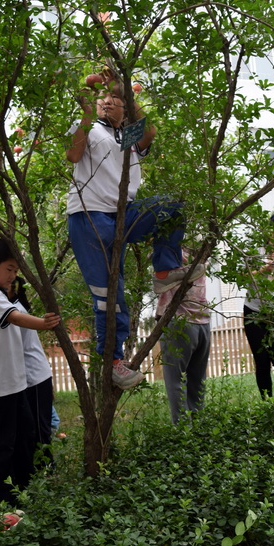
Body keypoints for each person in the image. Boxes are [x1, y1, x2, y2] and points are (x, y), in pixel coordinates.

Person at [66, 69, 205, 389]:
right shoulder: (92, 129)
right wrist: (88, 114)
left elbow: (149, 134)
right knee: (108, 296)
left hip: (121, 216)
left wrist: (126, 90)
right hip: (88, 218)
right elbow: (73, 154)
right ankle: (112, 360)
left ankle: (165, 270)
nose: (108, 101)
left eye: (116, 100)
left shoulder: (124, 136)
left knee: (172, 207)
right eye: (105, 97)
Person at [0, 238, 60, 504]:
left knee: (25, 435)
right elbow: (14, 317)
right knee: (0, 443)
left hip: (14, 382)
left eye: (15, 271)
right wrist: (44, 324)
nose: (12, 276)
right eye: (9, 269)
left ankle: (22, 488)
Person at [243, 211, 274, 398]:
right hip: (254, 311)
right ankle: (266, 402)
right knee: (262, 359)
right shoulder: (258, 251)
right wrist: (267, 268)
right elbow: (243, 276)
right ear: (273, 230)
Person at [156, 252, 210, 424]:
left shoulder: (171, 252)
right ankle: (198, 429)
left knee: (175, 380)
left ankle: (182, 434)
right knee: (197, 382)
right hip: (203, 321)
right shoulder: (203, 251)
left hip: (180, 321)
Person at [8, 277, 54, 466]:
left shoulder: (15, 312)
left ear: (12, 289)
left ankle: (47, 469)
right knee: (30, 426)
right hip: (30, 377)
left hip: (34, 377)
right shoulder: (13, 309)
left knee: (39, 427)